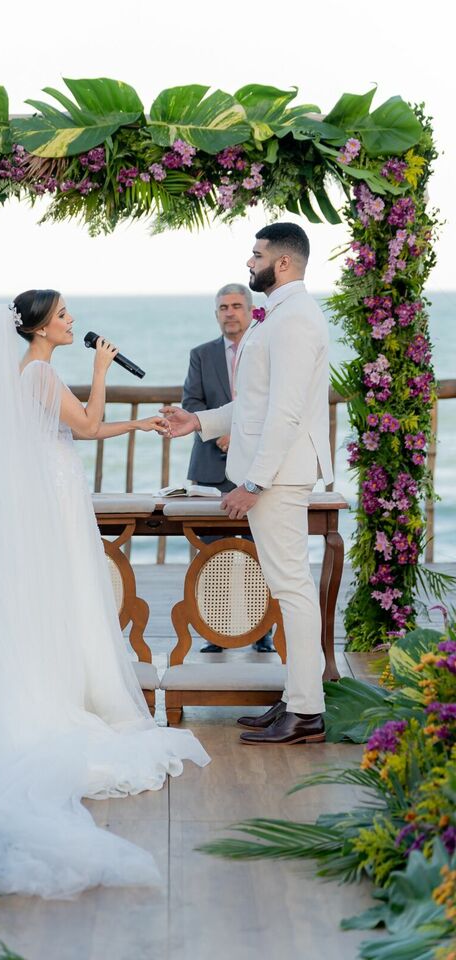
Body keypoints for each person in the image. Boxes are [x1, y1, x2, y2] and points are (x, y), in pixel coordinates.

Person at [0, 291, 209, 898]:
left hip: (59, 497)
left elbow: (82, 429)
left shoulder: (33, 374)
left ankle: (73, 682)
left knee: (71, 600)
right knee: (72, 597)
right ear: (41, 328)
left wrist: (140, 423)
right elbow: (89, 425)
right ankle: (68, 696)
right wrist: (102, 371)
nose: (72, 322)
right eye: (64, 315)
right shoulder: (40, 372)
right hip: (59, 503)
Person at [162, 224, 333, 746]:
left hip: (279, 477)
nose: (249, 261)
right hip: (273, 474)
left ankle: (306, 711)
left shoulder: (297, 320)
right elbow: (257, 403)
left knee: (293, 591)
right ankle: (295, 696)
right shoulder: (278, 316)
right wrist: (200, 422)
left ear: (281, 263)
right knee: (287, 588)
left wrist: (253, 483)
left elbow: (284, 413)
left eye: (256, 254)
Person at [182, 283, 275, 653]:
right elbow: (191, 402)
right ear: (216, 313)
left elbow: (274, 405)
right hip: (211, 468)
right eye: (223, 307)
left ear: (251, 310)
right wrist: (220, 434)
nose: (230, 313)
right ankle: (214, 631)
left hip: (256, 469)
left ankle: (261, 630)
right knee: (212, 553)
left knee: (257, 553)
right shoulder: (200, 355)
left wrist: (240, 436)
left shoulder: (264, 350)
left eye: (237, 305)